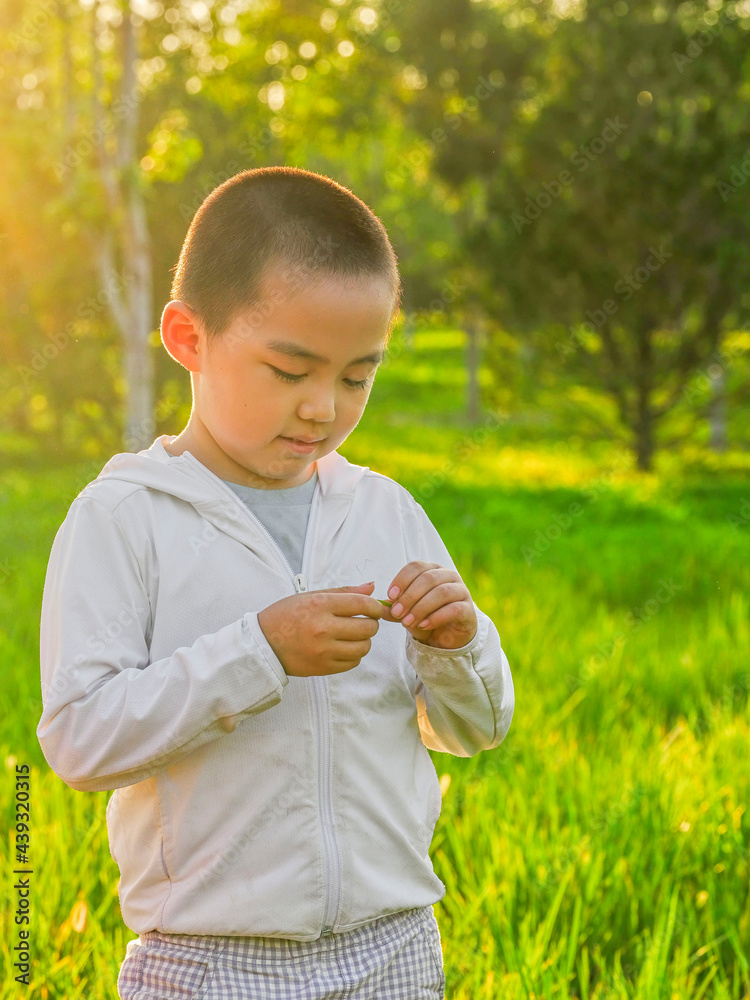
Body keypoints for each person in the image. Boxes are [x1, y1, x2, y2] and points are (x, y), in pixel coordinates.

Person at [37, 166, 515, 999]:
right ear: (189, 338)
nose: (324, 410)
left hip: (394, 947)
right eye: (290, 372)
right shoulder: (126, 516)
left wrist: (457, 646)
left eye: (357, 377)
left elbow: (472, 732)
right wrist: (260, 653)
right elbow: (81, 741)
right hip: (210, 961)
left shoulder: (383, 510)